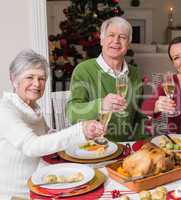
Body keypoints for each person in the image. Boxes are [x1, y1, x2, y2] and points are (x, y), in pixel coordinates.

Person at [0, 49, 106, 199]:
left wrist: (87, 133)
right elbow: (32, 146)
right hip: (17, 195)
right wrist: (79, 131)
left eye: (42, 78)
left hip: (40, 185)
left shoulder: (32, 108)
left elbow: (48, 136)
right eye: (30, 77)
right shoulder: (5, 110)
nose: (36, 84)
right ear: (13, 79)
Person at [66, 17, 146, 142]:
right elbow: (71, 113)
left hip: (126, 148)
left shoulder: (134, 73)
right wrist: (101, 104)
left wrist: (140, 144)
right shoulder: (83, 70)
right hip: (94, 148)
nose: (116, 41)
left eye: (122, 37)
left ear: (128, 44)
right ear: (102, 40)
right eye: (111, 35)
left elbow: (140, 117)